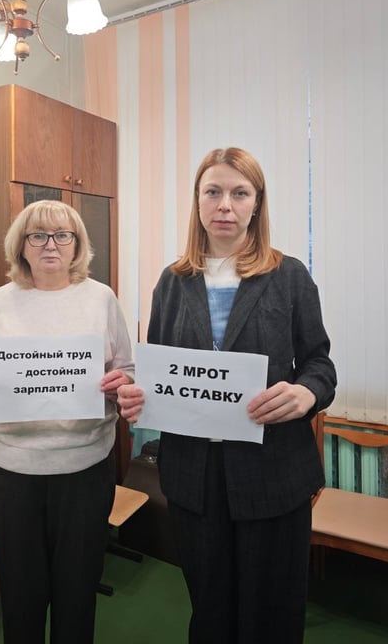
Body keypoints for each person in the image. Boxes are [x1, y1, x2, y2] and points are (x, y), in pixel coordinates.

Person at [118, 147, 336, 644]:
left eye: (240, 193)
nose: (225, 205)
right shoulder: (172, 283)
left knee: (272, 614)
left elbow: (320, 365)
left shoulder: (289, 276)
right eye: (212, 192)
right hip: (194, 478)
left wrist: (307, 394)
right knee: (211, 609)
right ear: (197, 201)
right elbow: (158, 373)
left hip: (274, 472)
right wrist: (137, 396)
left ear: (256, 204)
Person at [0, 200, 134, 644]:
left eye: (62, 235)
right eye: (37, 235)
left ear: (77, 245)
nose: (50, 245)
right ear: (21, 246)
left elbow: (127, 371)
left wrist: (122, 384)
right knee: (20, 598)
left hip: (85, 472)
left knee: (78, 595)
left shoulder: (102, 298)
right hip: (10, 476)